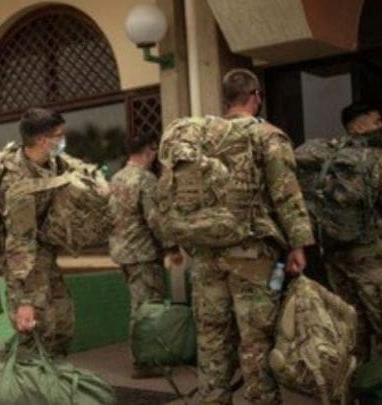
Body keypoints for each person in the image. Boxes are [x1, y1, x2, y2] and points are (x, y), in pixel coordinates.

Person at [162, 68, 314, 404]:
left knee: (212, 338)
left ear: (226, 99)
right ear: (256, 96)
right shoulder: (268, 136)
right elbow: (286, 194)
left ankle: (213, 398)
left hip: (205, 254)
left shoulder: (200, 137)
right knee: (256, 339)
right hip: (252, 256)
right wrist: (298, 245)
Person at [0, 107, 75, 357]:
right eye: (59, 135)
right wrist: (25, 301)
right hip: (25, 266)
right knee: (36, 331)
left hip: (45, 258)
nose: (63, 140)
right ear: (43, 140)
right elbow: (19, 243)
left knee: (62, 325)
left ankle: (50, 376)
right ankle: (20, 376)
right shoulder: (17, 183)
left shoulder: (53, 164)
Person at [321, 102, 382, 361]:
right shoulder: (373, 157)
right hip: (369, 253)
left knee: (352, 326)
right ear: (357, 126)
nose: (380, 126)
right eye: (376, 121)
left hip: (334, 252)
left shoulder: (329, 157)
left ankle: (358, 379)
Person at [108, 132, 166, 378]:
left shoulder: (116, 178)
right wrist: (172, 246)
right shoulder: (146, 179)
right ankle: (144, 361)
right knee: (146, 308)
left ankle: (143, 357)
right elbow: (155, 220)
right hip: (143, 253)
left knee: (138, 305)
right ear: (149, 150)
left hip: (122, 252)